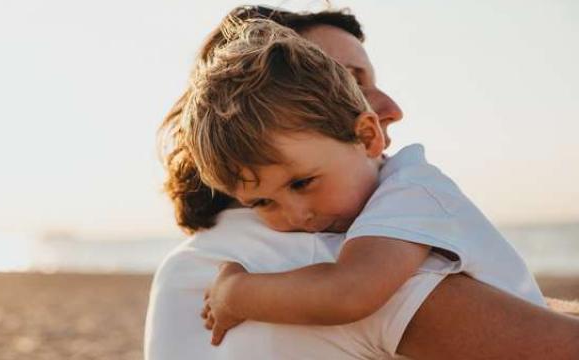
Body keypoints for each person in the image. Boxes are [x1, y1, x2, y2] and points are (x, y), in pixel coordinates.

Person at [146, 6, 579, 360]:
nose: (393, 107)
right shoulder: (313, 257)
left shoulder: (193, 261)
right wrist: (236, 292)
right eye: (348, 80)